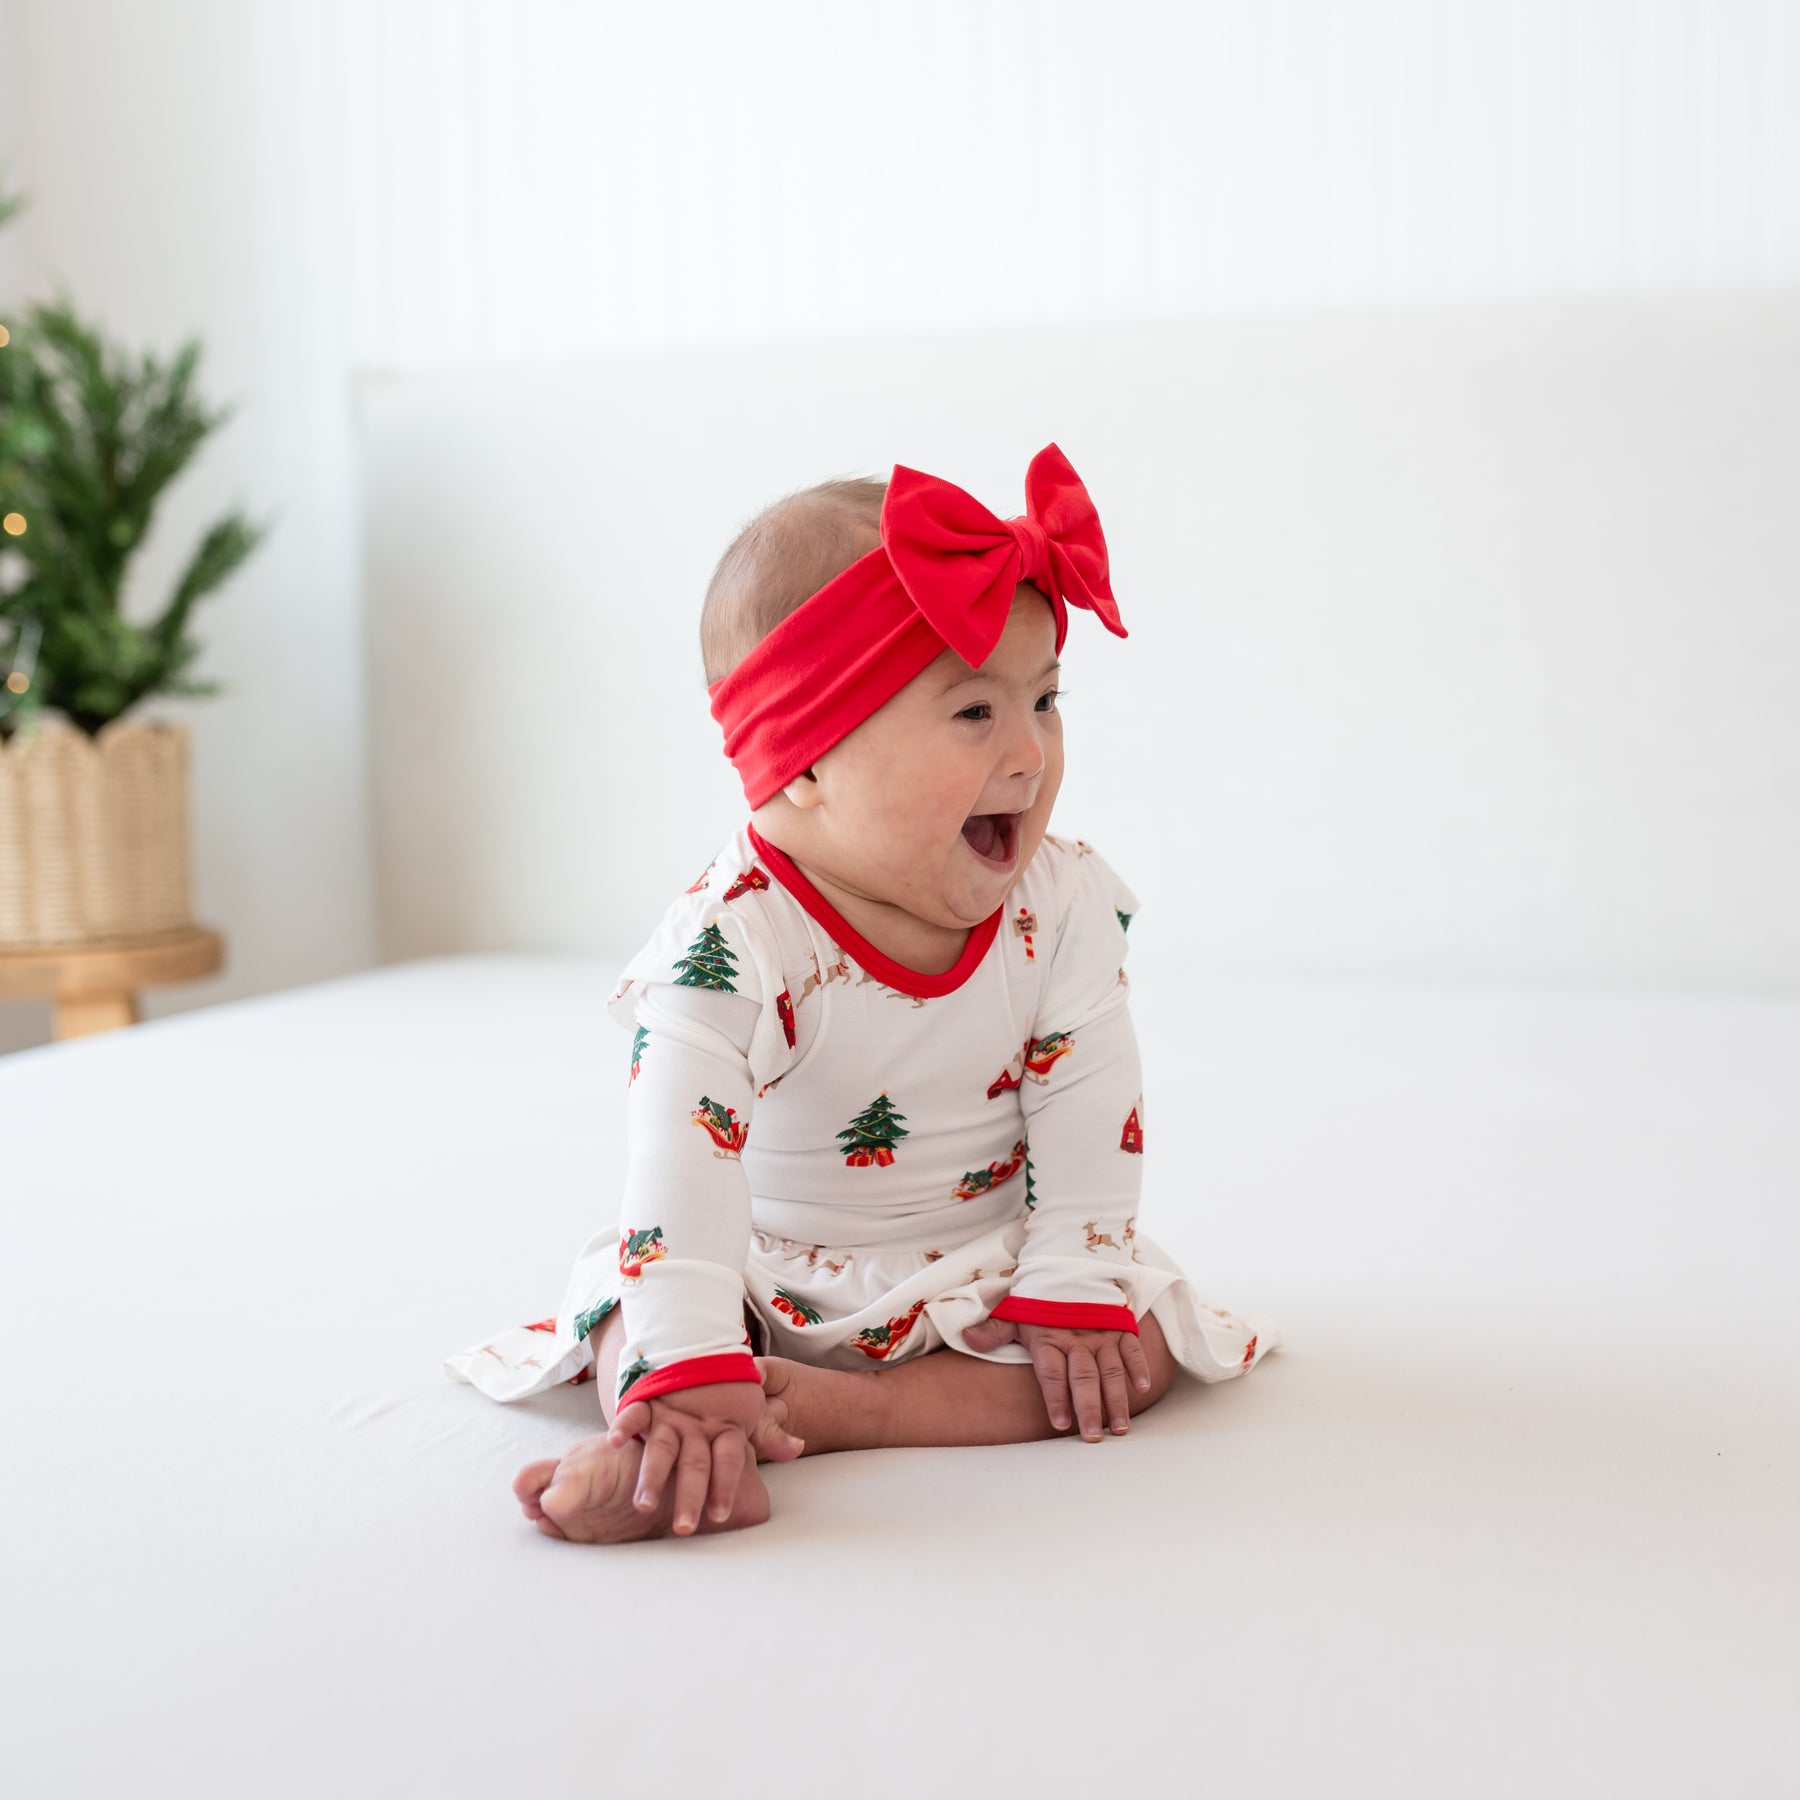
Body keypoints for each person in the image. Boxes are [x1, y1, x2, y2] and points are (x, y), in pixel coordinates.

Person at [443, 442, 1282, 1542]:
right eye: (974, 713)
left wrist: (1072, 1267)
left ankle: (852, 1413)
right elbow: (679, 1165)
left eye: (1045, 698)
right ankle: (679, 1445)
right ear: (805, 760)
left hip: (988, 1268)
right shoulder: (733, 940)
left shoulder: (1061, 902)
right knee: (632, 1310)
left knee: (1133, 1349)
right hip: (758, 1271)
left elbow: (1091, 1099)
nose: (1030, 752)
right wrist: (690, 1359)